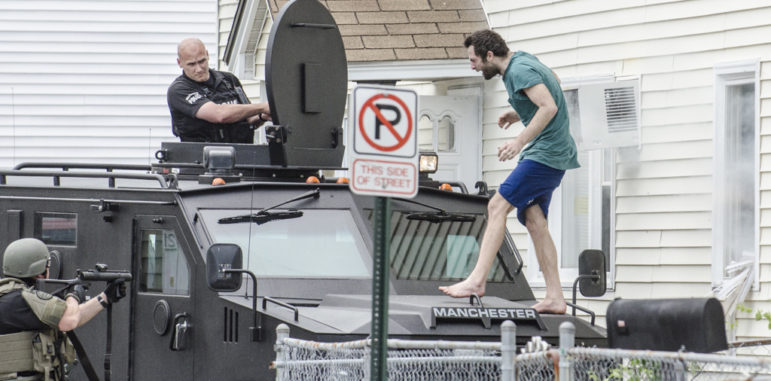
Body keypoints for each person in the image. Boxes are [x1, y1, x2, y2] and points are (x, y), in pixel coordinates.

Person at [439, 29, 579, 314]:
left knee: (496, 206)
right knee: (534, 218)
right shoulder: (523, 60)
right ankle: (555, 297)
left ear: (490, 55)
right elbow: (555, 82)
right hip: (556, 155)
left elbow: (549, 105)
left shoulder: (518, 70)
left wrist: (519, 140)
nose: (472, 66)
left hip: (544, 154)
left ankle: (477, 280)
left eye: (474, 60)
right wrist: (518, 113)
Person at [0, 238, 126, 380]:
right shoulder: (26, 300)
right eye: (47, 265)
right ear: (39, 271)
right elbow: (69, 320)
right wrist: (74, 294)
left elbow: (72, 317)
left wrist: (104, 298)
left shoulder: (11, 299)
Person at [167, 37, 272, 143]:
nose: (198, 69)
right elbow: (219, 114)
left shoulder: (229, 80)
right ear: (179, 62)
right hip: (202, 157)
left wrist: (262, 116)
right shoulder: (179, 90)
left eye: (202, 61)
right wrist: (263, 107)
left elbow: (249, 120)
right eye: (191, 64)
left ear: (207, 55)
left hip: (241, 155)